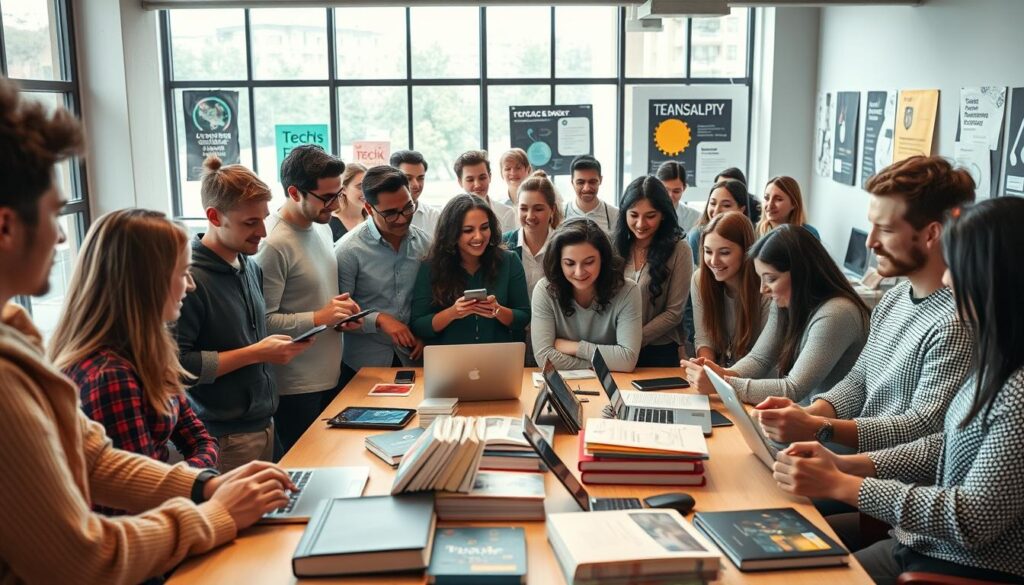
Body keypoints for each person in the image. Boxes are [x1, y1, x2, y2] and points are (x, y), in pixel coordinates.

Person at [0, 74, 295, 584]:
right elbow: (81, 557)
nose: (61, 232)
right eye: (52, 212)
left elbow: (97, 459)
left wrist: (205, 486)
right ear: (6, 226)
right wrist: (216, 512)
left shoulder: (15, 334)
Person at [771, 197, 1024, 584]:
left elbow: (973, 517)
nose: (947, 279)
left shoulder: (1016, 390)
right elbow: (942, 445)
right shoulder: (999, 360)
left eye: (957, 267)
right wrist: (842, 464)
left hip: (961, 565)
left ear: (995, 276)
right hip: (920, 543)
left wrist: (844, 482)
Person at [754, 155, 974, 453]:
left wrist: (819, 427)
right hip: (857, 462)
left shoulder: (956, 322)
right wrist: (806, 415)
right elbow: (858, 381)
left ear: (931, 234)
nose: (870, 242)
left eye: (885, 229)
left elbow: (923, 426)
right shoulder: (895, 298)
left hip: (885, 478)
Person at [52, 210, 218, 479]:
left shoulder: (149, 352)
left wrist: (189, 482)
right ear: (147, 281)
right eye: (184, 273)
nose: (191, 286)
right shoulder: (109, 375)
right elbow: (143, 494)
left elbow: (202, 439)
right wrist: (194, 483)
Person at [177, 156, 312, 472]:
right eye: (250, 223)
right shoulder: (187, 279)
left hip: (263, 423)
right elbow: (178, 366)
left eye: (264, 219)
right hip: (224, 436)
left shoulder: (249, 265)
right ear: (214, 216)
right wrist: (256, 352)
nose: (263, 232)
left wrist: (268, 347)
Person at [683, 225, 869, 405]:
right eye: (761, 278)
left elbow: (794, 388)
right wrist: (722, 374)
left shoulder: (837, 313)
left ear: (801, 273)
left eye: (771, 279)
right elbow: (760, 358)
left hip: (824, 430)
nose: (763, 289)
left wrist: (721, 383)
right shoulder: (786, 304)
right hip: (802, 420)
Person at [255, 145, 362, 455]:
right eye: (326, 197)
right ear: (294, 192)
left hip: (331, 375)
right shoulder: (274, 244)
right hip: (294, 388)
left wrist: (340, 317)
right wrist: (319, 317)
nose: (335, 205)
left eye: (339, 194)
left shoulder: (322, 227)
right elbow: (262, 322)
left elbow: (316, 301)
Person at [337, 165, 431, 376]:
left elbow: (434, 300)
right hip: (364, 364)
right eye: (390, 213)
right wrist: (379, 319)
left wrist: (426, 335)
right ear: (369, 209)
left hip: (415, 359)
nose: (402, 218)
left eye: (408, 207)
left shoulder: (426, 244)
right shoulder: (348, 251)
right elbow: (339, 318)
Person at [410, 194, 530, 346]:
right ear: (452, 233)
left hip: (498, 356)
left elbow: (524, 316)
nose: (479, 237)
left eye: (484, 228)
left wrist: (497, 310)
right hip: (449, 359)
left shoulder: (509, 261)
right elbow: (419, 325)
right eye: (468, 230)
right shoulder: (431, 266)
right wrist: (453, 312)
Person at [532, 218, 642, 372]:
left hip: (616, 384)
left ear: (603, 259)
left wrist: (576, 347)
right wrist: (599, 365)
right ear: (559, 263)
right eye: (569, 263)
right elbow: (544, 357)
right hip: (566, 386)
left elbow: (627, 360)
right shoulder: (545, 289)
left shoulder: (628, 290)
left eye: (589, 262)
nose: (579, 272)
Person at [613, 176, 693, 367]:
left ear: (663, 214)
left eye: (650, 216)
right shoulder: (613, 245)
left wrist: (634, 339)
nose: (641, 224)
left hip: (659, 352)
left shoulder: (680, 249)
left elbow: (674, 312)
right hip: (615, 346)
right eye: (634, 215)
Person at [690, 211, 770, 366]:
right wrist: (707, 368)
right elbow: (704, 338)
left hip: (762, 380)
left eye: (724, 253)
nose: (714, 261)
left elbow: (765, 356)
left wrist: (723, 376)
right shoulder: (700, 279)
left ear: (747, 251)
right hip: (724, 377)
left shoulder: (765, 287)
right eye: (708, 251)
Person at [501, 170, 563, 297]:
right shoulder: (503, 244)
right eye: (523, 209)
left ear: (552, 210)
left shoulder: (564, 244)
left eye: (538, 209)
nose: (530, 216)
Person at [686, 179, 748, 264]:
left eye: (726, 205)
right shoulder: (697, 236)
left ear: (742, 209)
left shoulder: (748, 235)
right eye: (712, 203)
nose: (716, 210)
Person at [453, 149, 517, 232]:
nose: (477, 185)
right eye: (470, 180)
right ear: (460, 182)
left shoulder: (506, 213)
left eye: (482, 178)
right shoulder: (452, 216)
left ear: (490, 177)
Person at [563, 155, 618, 234]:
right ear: (572, 182)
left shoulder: (614, 215)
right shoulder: (560, 214)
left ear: (600, 180)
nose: (587, 188)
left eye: (592, 182)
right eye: (580, 182)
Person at [391, 149, 439, 235]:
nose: (416, 185)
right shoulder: (380, 216)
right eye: (408, 178)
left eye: (420, 178)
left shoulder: (434, 216)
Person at [656, 160, 702, 234]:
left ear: (684, 188)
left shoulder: (695, 218)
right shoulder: (643, 212)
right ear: (656, 187)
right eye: (665, 190)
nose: (670, 196)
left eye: (676, 191)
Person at [329, 162, 366, 242]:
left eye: (368, 186)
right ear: (344, 189)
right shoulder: (328, 224)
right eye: (360, 187)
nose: (366, 191)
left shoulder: (373, 219)